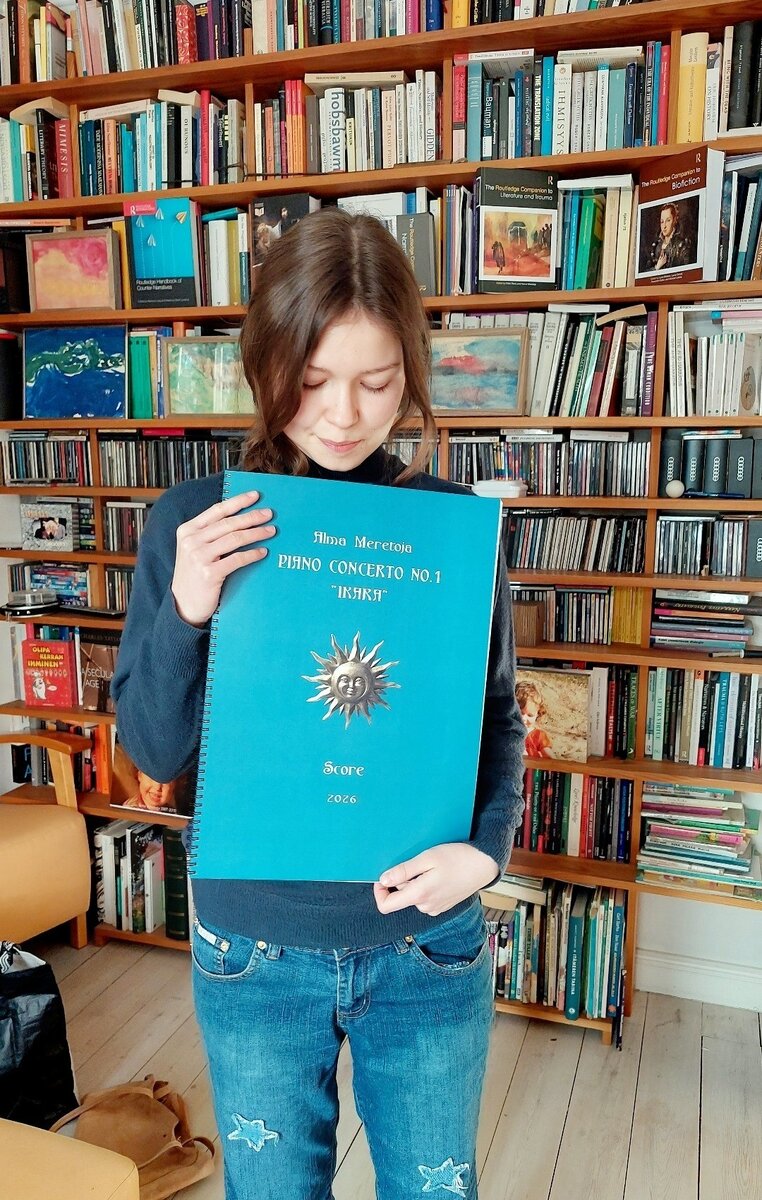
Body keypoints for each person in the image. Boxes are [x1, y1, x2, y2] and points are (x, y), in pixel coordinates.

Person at [112, 209, 526, 1200]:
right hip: (252, 947)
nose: (343, 415)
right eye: (311, 378)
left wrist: (488, 852)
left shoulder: (450, 527)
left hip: (424, 940)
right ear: (266, 361)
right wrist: (190, 606)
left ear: (410, 374)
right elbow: (154, 750)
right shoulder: (190, 522)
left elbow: (498, 716)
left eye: (377, 382)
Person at [648, 202, 693, 272]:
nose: (664, 226)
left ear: (674, 220)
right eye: (662, 222)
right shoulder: (656, 246)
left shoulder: (682, 245)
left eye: (668, 220)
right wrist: (657, 267)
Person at [516, 680, 552, 759]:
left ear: (538, 714)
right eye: (520, 713)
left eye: (530, 715)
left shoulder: (539, 736)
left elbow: (549, 757)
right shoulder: (509, 731)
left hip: (533, 767)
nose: (524, 718)